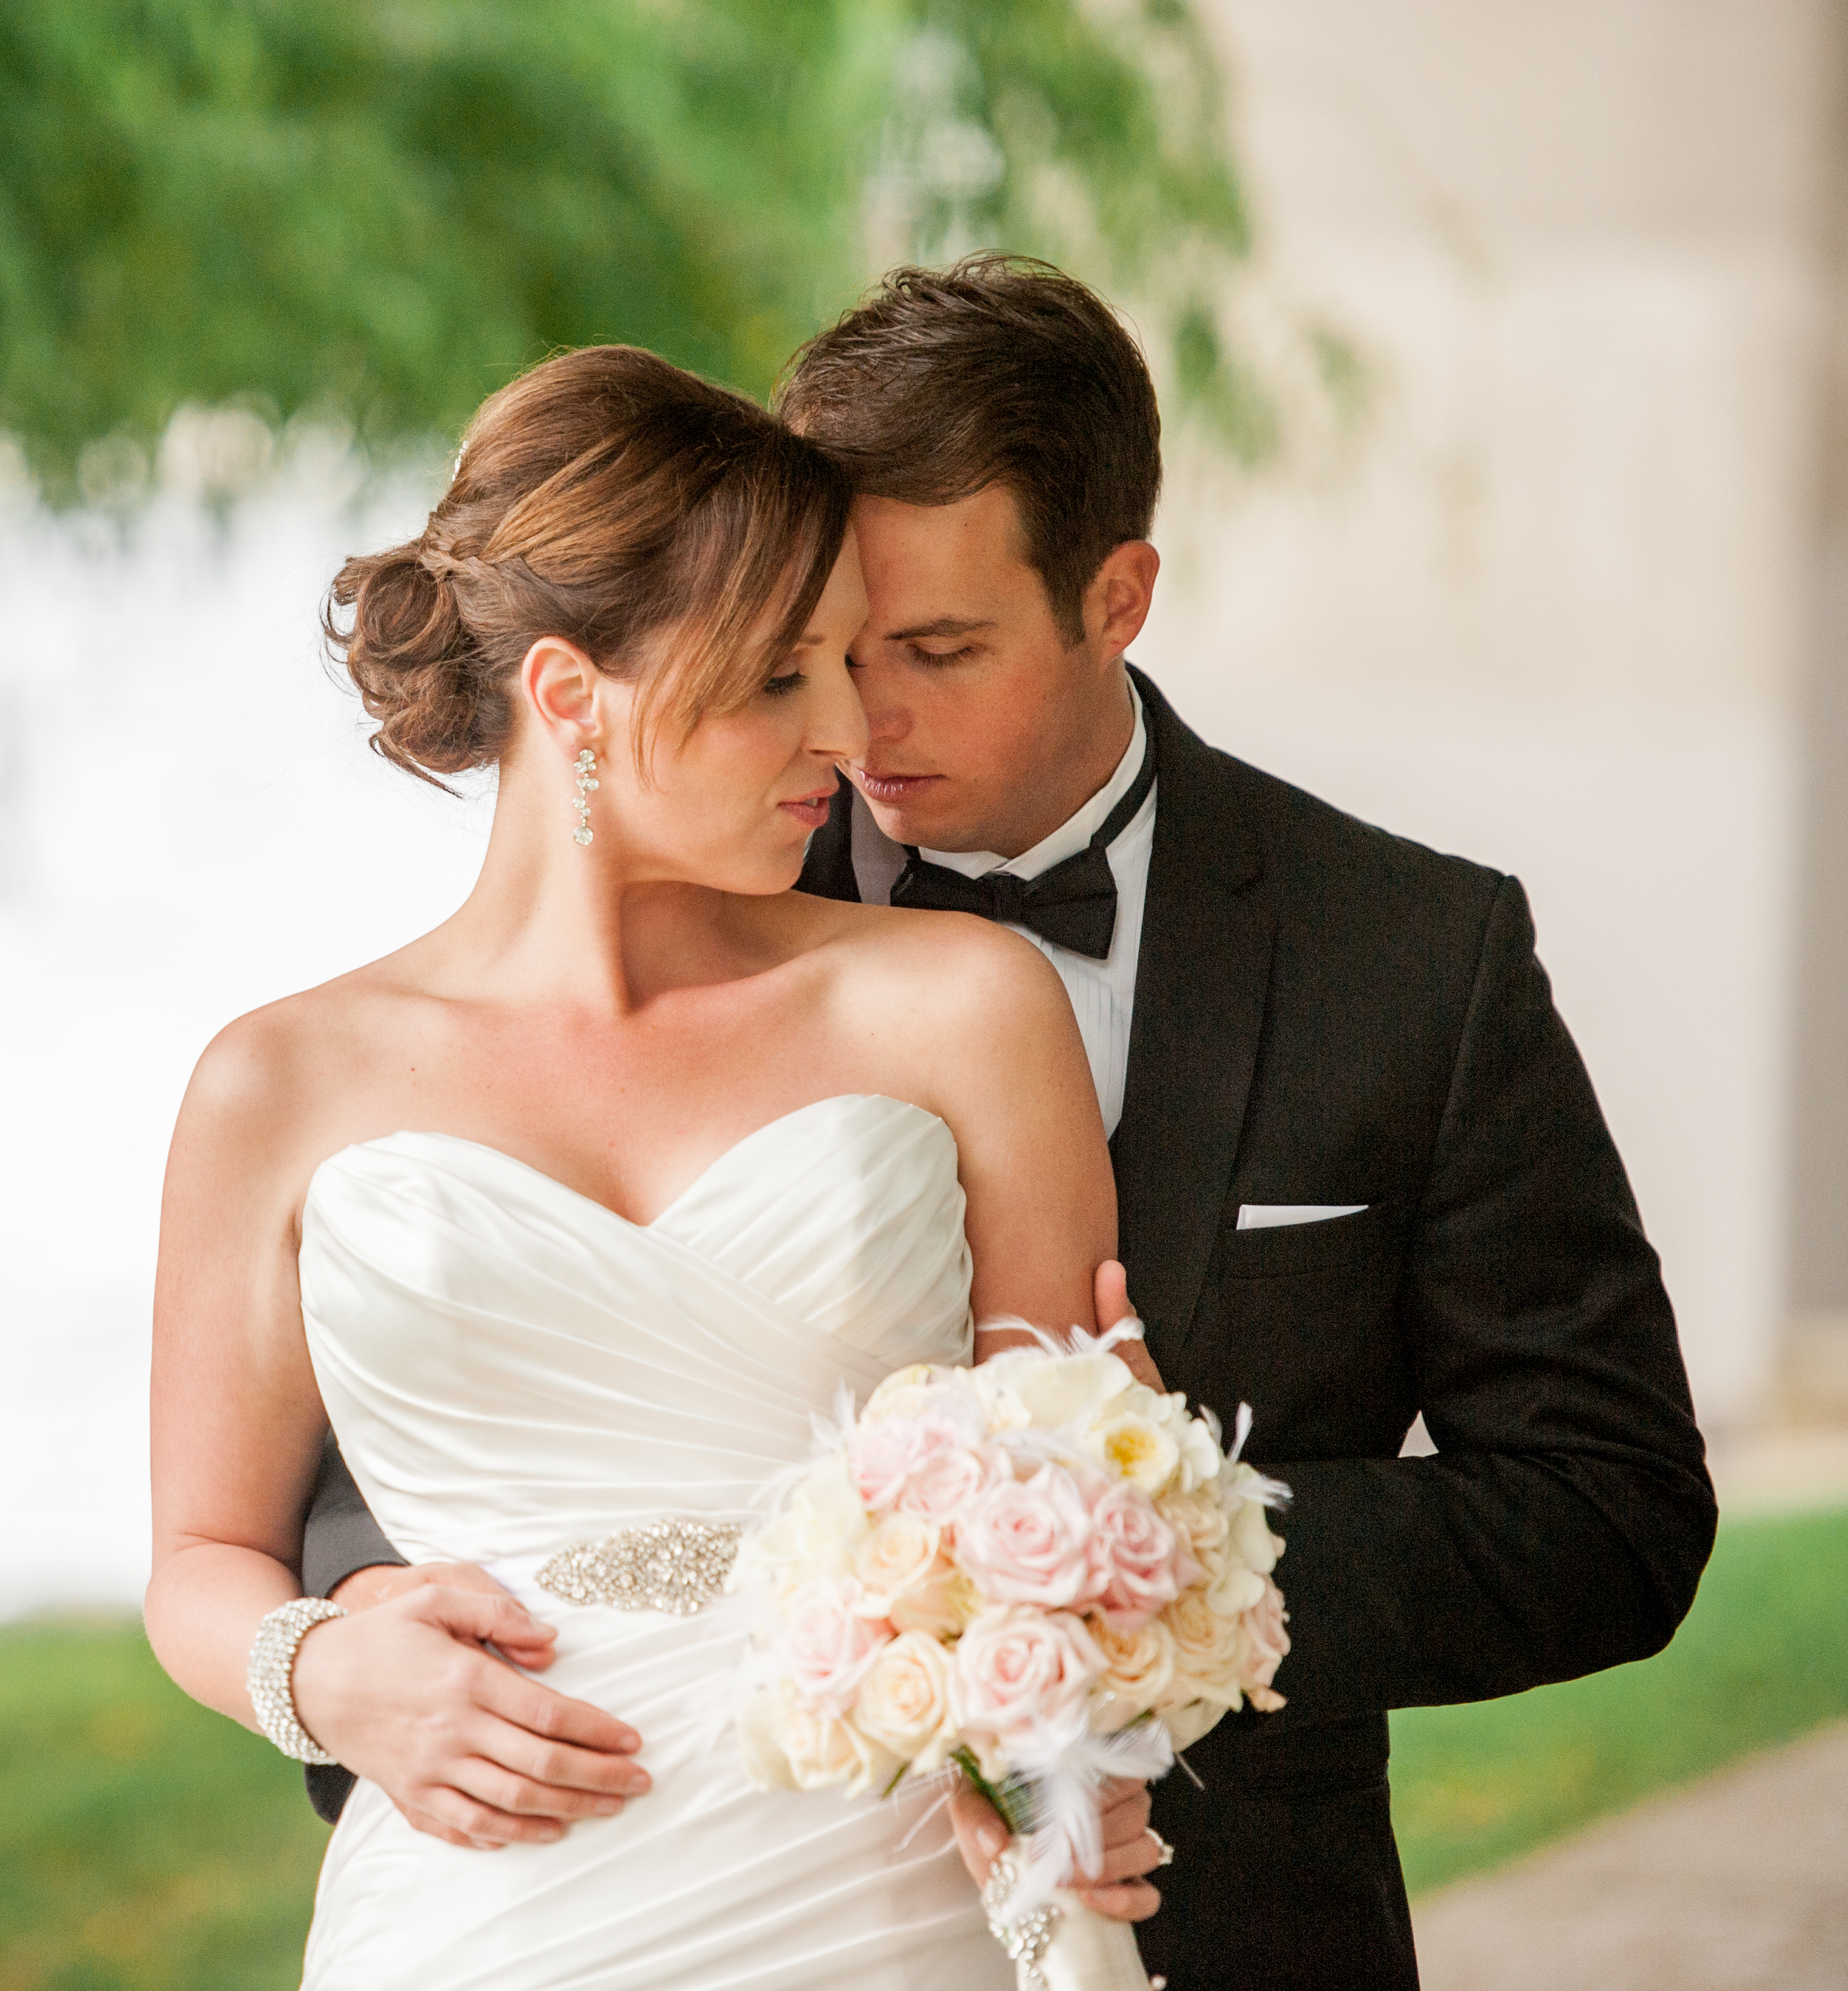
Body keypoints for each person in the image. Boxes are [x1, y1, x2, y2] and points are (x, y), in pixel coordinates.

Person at [293, 258, 1720, 1990]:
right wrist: (355, 1650)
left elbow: (1608, 1511)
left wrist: (1097, 1570)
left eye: (933, 651)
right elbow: (397, 1418)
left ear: (1114, 597)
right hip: (582, 1897)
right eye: (808, 653)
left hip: (1239, 1932)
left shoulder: (1413, 959)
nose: (854, 723)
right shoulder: (659, 869)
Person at [146, 342, 1167, 1990]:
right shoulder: (279, 1083)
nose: (844, 727)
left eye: (845, 662)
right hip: (483, 1918)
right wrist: (315, 1672)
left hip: (890, 1898)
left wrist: (1061, 1761)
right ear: (569, 699)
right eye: (779, 677)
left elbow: (1046, 1487)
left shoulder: (964, 1007)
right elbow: (198, 1560)